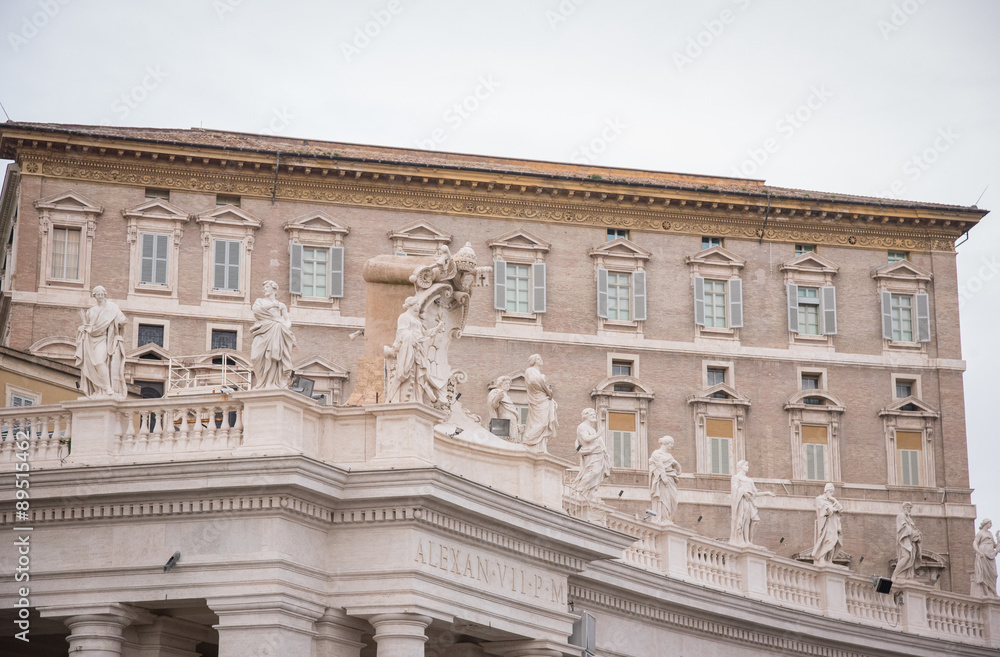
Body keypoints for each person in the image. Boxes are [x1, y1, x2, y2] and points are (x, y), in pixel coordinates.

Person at [385, 296, 444, 404]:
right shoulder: (404, 317)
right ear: (411, 305)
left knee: (419, 377)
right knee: (406, 373)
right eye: (417, 304)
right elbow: (401, 332)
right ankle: (393, 398)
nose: (419, 306)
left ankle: (417, 399)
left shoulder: (416, 321)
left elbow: (425, 334)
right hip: (410, 348)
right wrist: (412, 338)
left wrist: (437, 329)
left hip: (418, 349)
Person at [75, 285, 128, 399]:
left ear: (105, 295)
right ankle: (98, 390)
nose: (100, 296)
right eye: (97, 294)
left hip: (103, 339)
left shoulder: (112, 308)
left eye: (102, 294)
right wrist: (83, 328)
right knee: (91, 365)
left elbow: (122, 320)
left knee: (99, 362)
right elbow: (89, 326)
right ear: (94, 296)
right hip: (90, 339)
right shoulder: (91, 311)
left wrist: (121, 321)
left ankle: (107, 387)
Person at [250, 280, 296, 389]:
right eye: (264, 287)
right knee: (255, 357)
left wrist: (284, 326)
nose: (264, 289)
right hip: (262, 330)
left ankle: (271, 383)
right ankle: (261, 382)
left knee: (273, 358)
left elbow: (287, 320)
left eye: (267, 287)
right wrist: (271, 305)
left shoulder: (281, 305)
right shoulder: (259, 301)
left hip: (277, 330)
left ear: (274, 289)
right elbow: (256, 311)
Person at [730, 460, 775, 548]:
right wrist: (744, 493)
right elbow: (735, 489)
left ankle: (749, 541)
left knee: (752, 520)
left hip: (749, 501)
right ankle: (744, 541)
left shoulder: (750, 480)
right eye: (746, 465)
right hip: (742, 501)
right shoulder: (736, 477)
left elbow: (755, 493)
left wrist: (767, 493)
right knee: (743, 520)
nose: (748, 467)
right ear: (741, 466)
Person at [572, 409, 611, 503]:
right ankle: (579, 490)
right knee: (593, 471)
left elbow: (597, 441)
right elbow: (586, 438)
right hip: (591, 454)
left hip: (598, 454)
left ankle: (590, 493)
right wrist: (598, 434)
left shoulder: (592, 428)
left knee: (597, 474)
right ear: (586, 416)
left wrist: (604, 450)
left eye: (594, 414)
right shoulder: (582, 426)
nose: (594, 416)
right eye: (591, 414)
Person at [521, 354, 557, 451]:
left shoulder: (537, 372)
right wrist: (543, 381)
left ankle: (540, 446)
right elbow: (533, 382)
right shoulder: (530, 370)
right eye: (537, 358)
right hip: (537, 399)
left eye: (540, 358)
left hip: (543, 399)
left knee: (544, 423)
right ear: (533, 361)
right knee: (540, 423)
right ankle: (528, 441)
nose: (540, 360)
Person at [649, 436, 682, 525]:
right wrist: (663, 477)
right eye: (671, 443)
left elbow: (678, 470)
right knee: (664, 498)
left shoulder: (669, 456)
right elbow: (660, 466)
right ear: (666, 443)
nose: (672, 446)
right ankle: (665, 518)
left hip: (671, 479)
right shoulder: (656, 454)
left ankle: (668, 518)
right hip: (662, 480)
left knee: (673, 499)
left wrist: (676, 463)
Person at [811, 483, 843, 566]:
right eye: (830, 491)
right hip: (826, 524)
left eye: (832, 491)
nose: (832, 493)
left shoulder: (832, 500)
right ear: (826, 490)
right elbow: (826, 510)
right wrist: (834, 509)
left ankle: (829, 560)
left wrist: (834, 501)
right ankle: (822, 558)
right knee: (828, 540)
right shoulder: (819, 499)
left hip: (834, 524)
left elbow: (840, 509)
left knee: (834, 540)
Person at [892, 502, 922, 580]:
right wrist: (912, 532)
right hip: (904, 540)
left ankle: (908, 575)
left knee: (911, 557)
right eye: (908, 508)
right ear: (904, 508)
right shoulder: (901, 515)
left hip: (911, 542)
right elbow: (903, 527)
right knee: (906, 556)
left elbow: (913, 528)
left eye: (910, 508)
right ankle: (896, 573)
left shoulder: (909, 518)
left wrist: (917, 534)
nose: (909, 509)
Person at [487, 376, 521, 440]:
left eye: (509, 384)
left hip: (512, 424)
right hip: (503, 422)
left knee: (512, 442)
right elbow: (493, 406)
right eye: (506, 383)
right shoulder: (496, 392)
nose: (508, 385)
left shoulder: (508, 397)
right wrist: (497, 398)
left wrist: (517, 424)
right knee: (503, 442)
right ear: (500, 384)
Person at [972, 518, 1000, 598]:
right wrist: (978, 551)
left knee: (994, 574)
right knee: (984, 574)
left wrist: (998, 538)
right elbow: (975, 542)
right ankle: (988, 593)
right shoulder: (980, 533)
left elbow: (995, 546)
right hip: (983, 554)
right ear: (986, 523)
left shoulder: (990, 533)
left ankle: (993, 591)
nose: (991, 524)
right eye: (990, 523)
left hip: (991, 555)